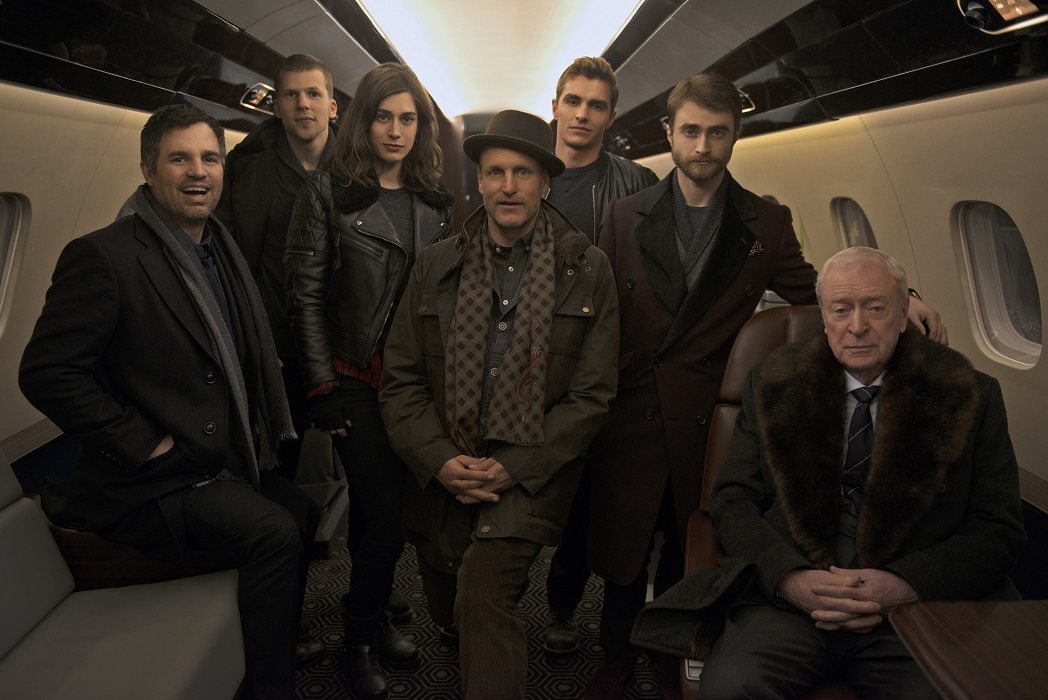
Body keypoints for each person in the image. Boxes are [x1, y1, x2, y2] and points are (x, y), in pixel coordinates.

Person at [586, 72, 949, 698]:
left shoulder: (767, 222)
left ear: (735, 137)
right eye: (691, 131)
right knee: (624, 545)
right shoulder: (623, 216)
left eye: (717, 132)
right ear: (670, 134)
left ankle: (669, 653)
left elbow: (819, 290)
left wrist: (901, 296)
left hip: (705, 416)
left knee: (686, 543)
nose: (703, 145)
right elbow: (599, 313)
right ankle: (615, 654)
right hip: (633, 408)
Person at [19, 104, 319, 700]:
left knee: (302, 511)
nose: (198, 172)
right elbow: (47, 374)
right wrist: (143, 443)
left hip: (216, 456)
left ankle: (272, 639)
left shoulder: (220, 250)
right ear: (148, 170)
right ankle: (270, 687)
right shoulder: (104, 256)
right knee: (274, 532)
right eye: (179, 159)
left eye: (210, 158)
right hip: (151, 479)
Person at [631, 246, 1026, 699]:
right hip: (789, 608)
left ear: (903, 314)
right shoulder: (774, 383)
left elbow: (997, 527)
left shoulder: (969, 395)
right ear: (824, 317)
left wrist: (904, 584)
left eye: (875, 308)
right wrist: (790, 579)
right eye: (841, 309)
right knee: (732, 689)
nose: (857, 326)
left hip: (910, 611)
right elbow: (732, 501)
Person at [378, 110, 619, 699]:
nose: (508, 186)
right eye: (495, 173)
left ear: (545, 183)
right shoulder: (436, 265)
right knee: (447, 601)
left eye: (523, 172)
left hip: (531, 471)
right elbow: (401, 382)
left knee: (483, 592)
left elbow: (590, 396)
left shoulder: (587, 271)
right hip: (446, 468)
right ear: (479, 183)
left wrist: (514, 466)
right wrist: (440, 460)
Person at [284, 62, 452, 700]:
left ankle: (377, 617)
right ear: (362, 121)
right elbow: (304, 299)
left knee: (383, 518)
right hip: (353, 379)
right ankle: (355, 643)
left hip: (413, 388)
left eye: (408, 119)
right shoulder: (327, 193)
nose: (396, 130)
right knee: (383, 523)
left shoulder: (435, 202)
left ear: (422, 127)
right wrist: (321, 389)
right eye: (384, 117)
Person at [540, 55, 659, 655]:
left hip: (610, 361)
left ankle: (564, 605)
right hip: (534, 362)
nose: (582, 114)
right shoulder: (525, 172)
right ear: (555, 105)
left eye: (596, 105)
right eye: (573, 101)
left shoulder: (638, 182)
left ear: (611, 117)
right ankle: (489, 605)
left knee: (595, 496)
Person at [214, 53, 336, 483]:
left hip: (340, 346)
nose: (303, 104)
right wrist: (251, 339)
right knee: (278, 463)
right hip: (276, 344)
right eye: (291, 95)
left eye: (313, 94)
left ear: (332, 106)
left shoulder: (361, 170)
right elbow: (228, 258)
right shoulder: (246, 167)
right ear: (276, 105)